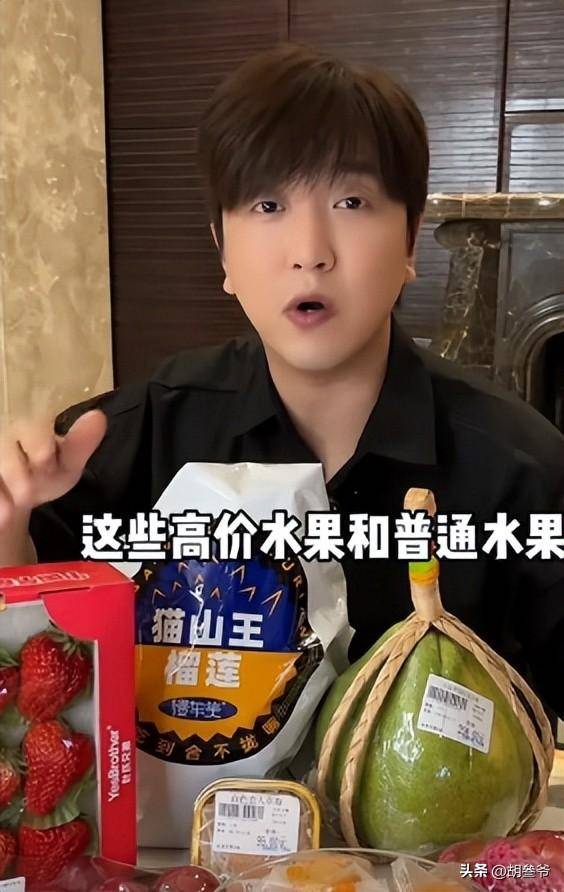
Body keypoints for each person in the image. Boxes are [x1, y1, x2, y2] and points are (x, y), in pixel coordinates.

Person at [1, 43, 563, 721]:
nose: (310, 253)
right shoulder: (142, 433)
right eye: (268, 205)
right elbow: (35, 660)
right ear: (223, 251)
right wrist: (10, 518)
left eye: (351, 201)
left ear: (411, 241)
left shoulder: (519, 467)